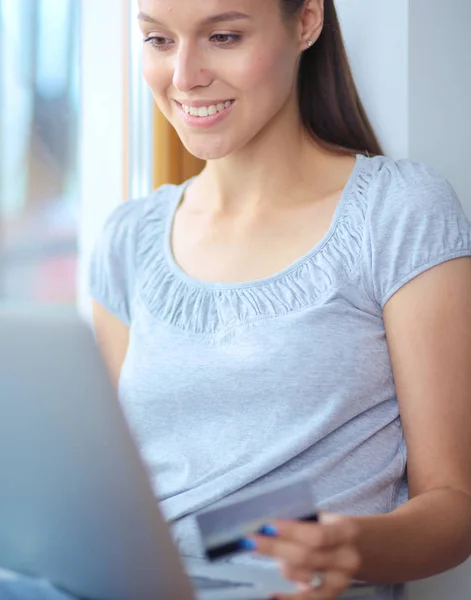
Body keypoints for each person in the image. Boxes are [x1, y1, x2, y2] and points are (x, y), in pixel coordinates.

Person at [5, 1, 467, 599]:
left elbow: (455, 505)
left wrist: (349, 545)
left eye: (222, 36)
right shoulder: (130, 237)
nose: (184, 76)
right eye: (158, 40)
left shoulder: (399, 211)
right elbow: (111, 488)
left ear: (305, 21)